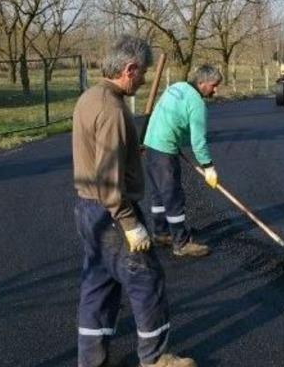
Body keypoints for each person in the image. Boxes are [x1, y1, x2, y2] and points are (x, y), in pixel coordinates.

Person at [72, 35, 194, 367]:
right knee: (147, 279)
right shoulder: (112, 110)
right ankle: (155, 359)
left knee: (99, 285)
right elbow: (109, 179)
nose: (142, 81)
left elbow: (102, 155)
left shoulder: (89, 98)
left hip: (86, 209)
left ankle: (90, 360)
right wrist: (130, 224)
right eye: (142, 74)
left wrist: (129, 154)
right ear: (130, 68)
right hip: (112, 212)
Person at [143, 64, 223, 257]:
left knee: (158, 194)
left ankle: (161, 233)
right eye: (214, 85)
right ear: (202, 83)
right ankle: (181, 243)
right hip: (164, 149)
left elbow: (164, 114)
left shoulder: (177, 87)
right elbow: (198, 141)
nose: (216, 90)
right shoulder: (197, 103)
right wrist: (208, 167)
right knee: (173, 196)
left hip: (150, 144)